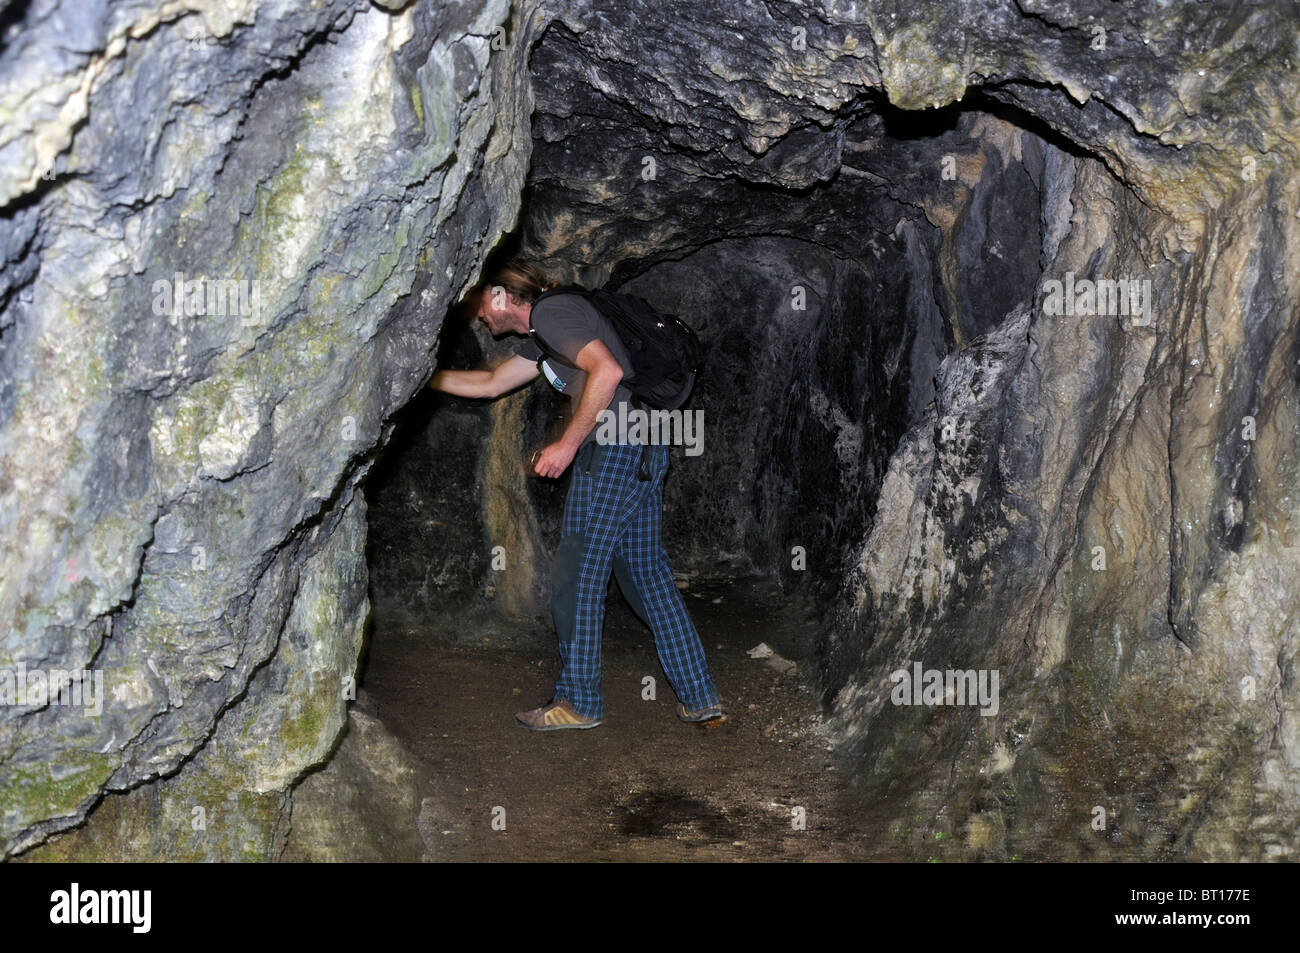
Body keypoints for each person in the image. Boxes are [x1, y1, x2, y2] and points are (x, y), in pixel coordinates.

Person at [428, 259, 725, 730]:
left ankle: (580, 701)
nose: (478, 315)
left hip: (616, 446)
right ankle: (699, 696)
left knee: (578, 570)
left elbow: (605, 372)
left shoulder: (554, 313)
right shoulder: (543, 338)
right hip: (646, 441)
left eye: (480, 303)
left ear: (502, 296)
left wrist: (567, 445)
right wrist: (423, 379)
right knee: (645, 575)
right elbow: (489, 385)